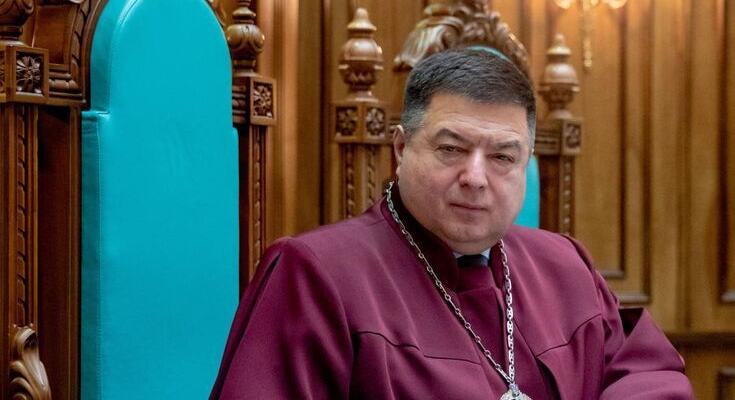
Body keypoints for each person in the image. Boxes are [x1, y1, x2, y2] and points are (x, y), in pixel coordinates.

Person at [210, 49, 693, 399]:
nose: (475, 178)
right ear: (402, 149)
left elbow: (647, 373)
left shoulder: (565, 263)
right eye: (451, 149)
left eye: (502, 157)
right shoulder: (315, 274)